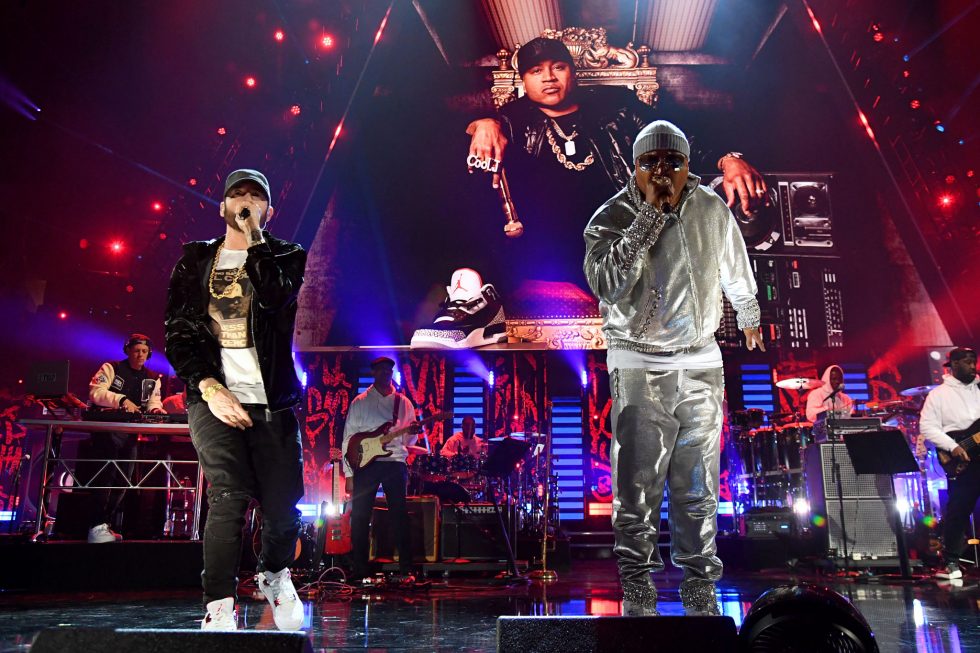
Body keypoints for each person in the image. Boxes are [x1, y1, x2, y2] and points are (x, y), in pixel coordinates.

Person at [583, 120, 764, 616]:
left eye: (673, 162)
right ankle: (638, 581)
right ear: (633, 167)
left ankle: (699, 581)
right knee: (638, 480)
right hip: (638, 358)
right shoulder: (610, 216)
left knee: (698, 479)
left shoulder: (710, 207)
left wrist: (748, 314)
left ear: (689, 165)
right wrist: (647, 217)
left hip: (702, 356)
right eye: (651, 162)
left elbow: (735, 264)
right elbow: (607, 284)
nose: (663, 170)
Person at [466, 37, 766, 293]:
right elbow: (468, 156)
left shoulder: (618, 106)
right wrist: (483, 124)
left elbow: (674, 136)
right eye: (536, 71)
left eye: (558, 67)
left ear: (573, 72)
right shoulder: (512, 120)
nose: (549, 78)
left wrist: (730, 160)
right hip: (546, 249)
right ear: (523, 80)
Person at [164, 168, 307, 632]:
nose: (245, 202)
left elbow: (274, 299)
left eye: (255, 197)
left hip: (272, 401)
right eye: (236, 196)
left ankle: (273, 574)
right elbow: (179, 332)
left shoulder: (287, 255)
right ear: (222, 205)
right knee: (229, 495)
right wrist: (207, 385)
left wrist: (256, 238)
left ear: (268, 208)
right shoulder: (194, 260)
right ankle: (219, 604)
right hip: (212, 396)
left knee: (285, 506)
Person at [342, 356, 420, 583]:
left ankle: (406, 569)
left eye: (389, 371)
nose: (386, 374)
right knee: (360, 516)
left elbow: (408, 439)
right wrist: (349, 473)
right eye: (381, 370)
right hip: (366, 464)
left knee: (399, 516)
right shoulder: (360, 401)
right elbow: (349, 438)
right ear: (374, 373)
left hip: (395, 462)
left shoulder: (403, 402)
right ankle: (359, 570)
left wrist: (413, 430)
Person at [85, 333, 165, 543]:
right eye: (136, 350)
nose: (140, 354)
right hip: (107, 430)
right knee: (105, 477)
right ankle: (95, 525)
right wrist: (121, 400)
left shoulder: (152, 377)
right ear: (128, 350)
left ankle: (106, 524)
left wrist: (156, 410)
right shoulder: (111, 368)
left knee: (124, 479)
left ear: (149, 354)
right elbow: (95, 392)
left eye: (144, 351)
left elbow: (153, 402)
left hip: (129, 433)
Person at [919, 347, 980, 580]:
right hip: (960, 459)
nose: (972, 366)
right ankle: (951, 562)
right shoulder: (939, 395)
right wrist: (954, 447)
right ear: (953, 365)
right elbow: (927, 427)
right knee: (959, 508)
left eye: (974, 361)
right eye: (967, 362)